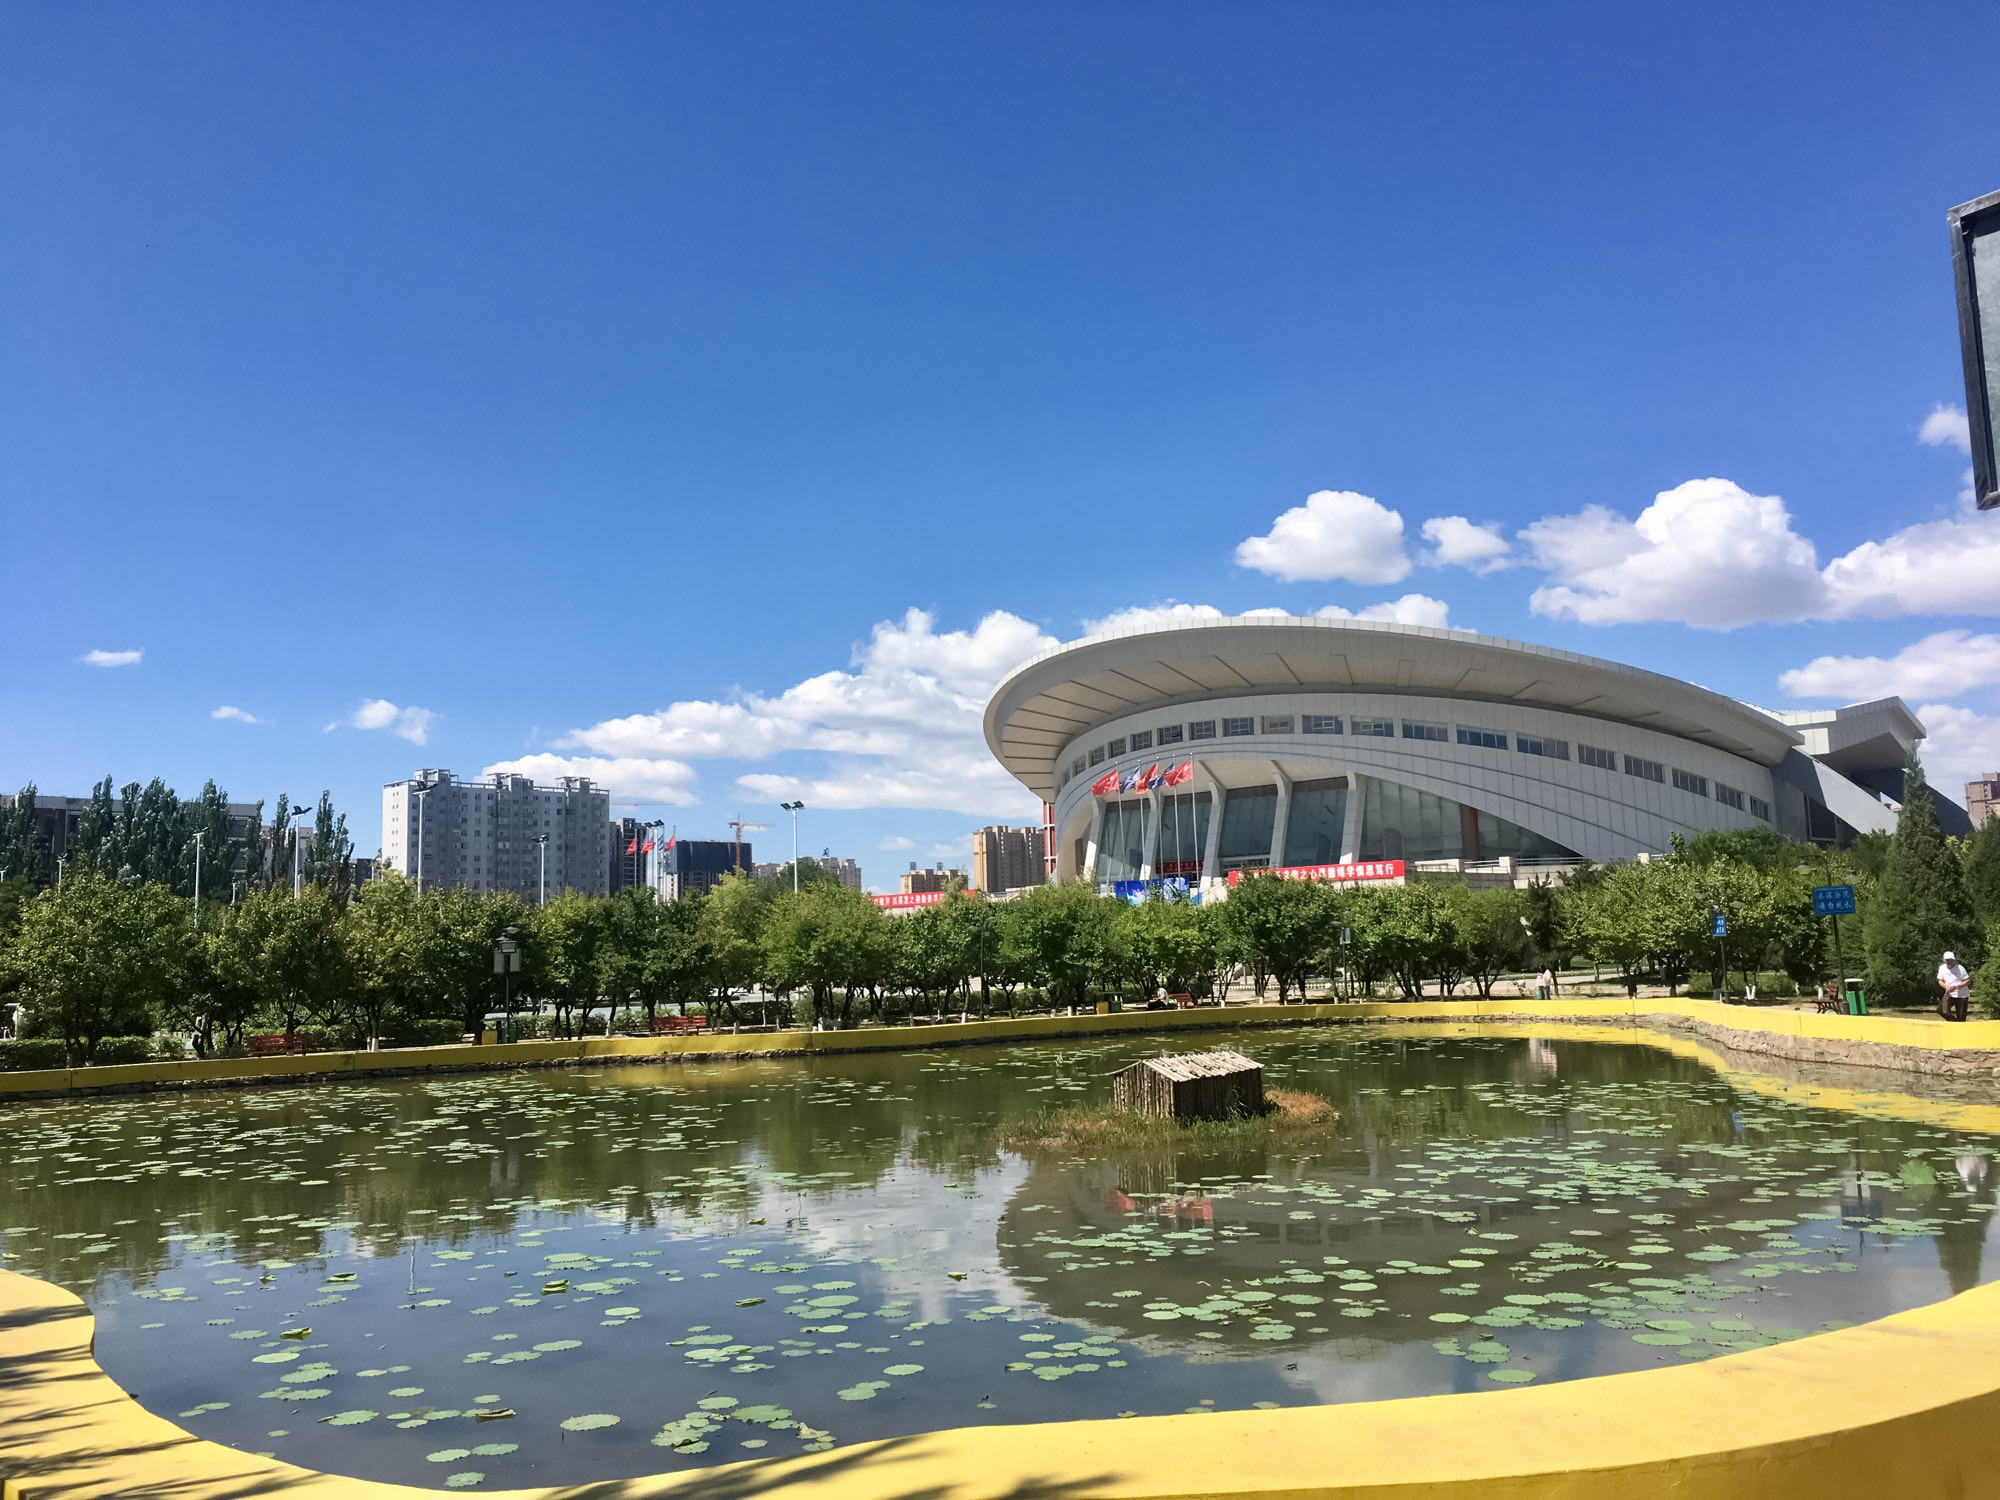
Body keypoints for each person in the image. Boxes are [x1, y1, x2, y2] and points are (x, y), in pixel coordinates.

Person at [1937, 951, 1972, 1022]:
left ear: (1954, 960)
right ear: (1944, 960)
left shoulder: (1960, 968)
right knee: (1941, 1010)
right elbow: (1940, 981)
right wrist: (1946, 987)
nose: (1949, 962)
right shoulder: (1942, 968)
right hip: (1949, 995)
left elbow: (1967, 981)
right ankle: (1954, 1022)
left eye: (1951, 960)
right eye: (1947, 960)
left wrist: (1957, 986)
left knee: (1961, 1017)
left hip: (1962, 996)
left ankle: (1960, 1026)